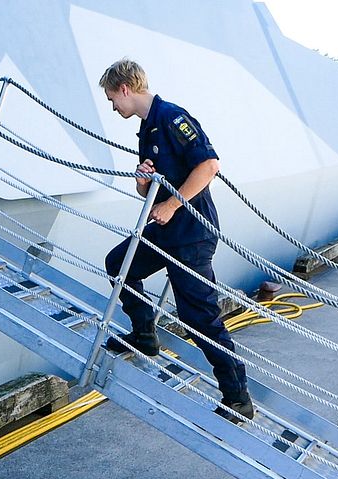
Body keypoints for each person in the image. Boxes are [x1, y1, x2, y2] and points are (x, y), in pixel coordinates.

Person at [99, 59, 254, 423]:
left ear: (125, 88)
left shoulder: (171, 118)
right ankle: (144, 334)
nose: (113, 107)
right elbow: (149, 193)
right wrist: (142, 181)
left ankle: (238, 397)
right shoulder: (147, 129)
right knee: (119, 264)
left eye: (112, 99)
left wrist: (171, 203)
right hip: (168, 231)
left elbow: (209, 165)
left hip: (191, 235)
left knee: (199, 318)